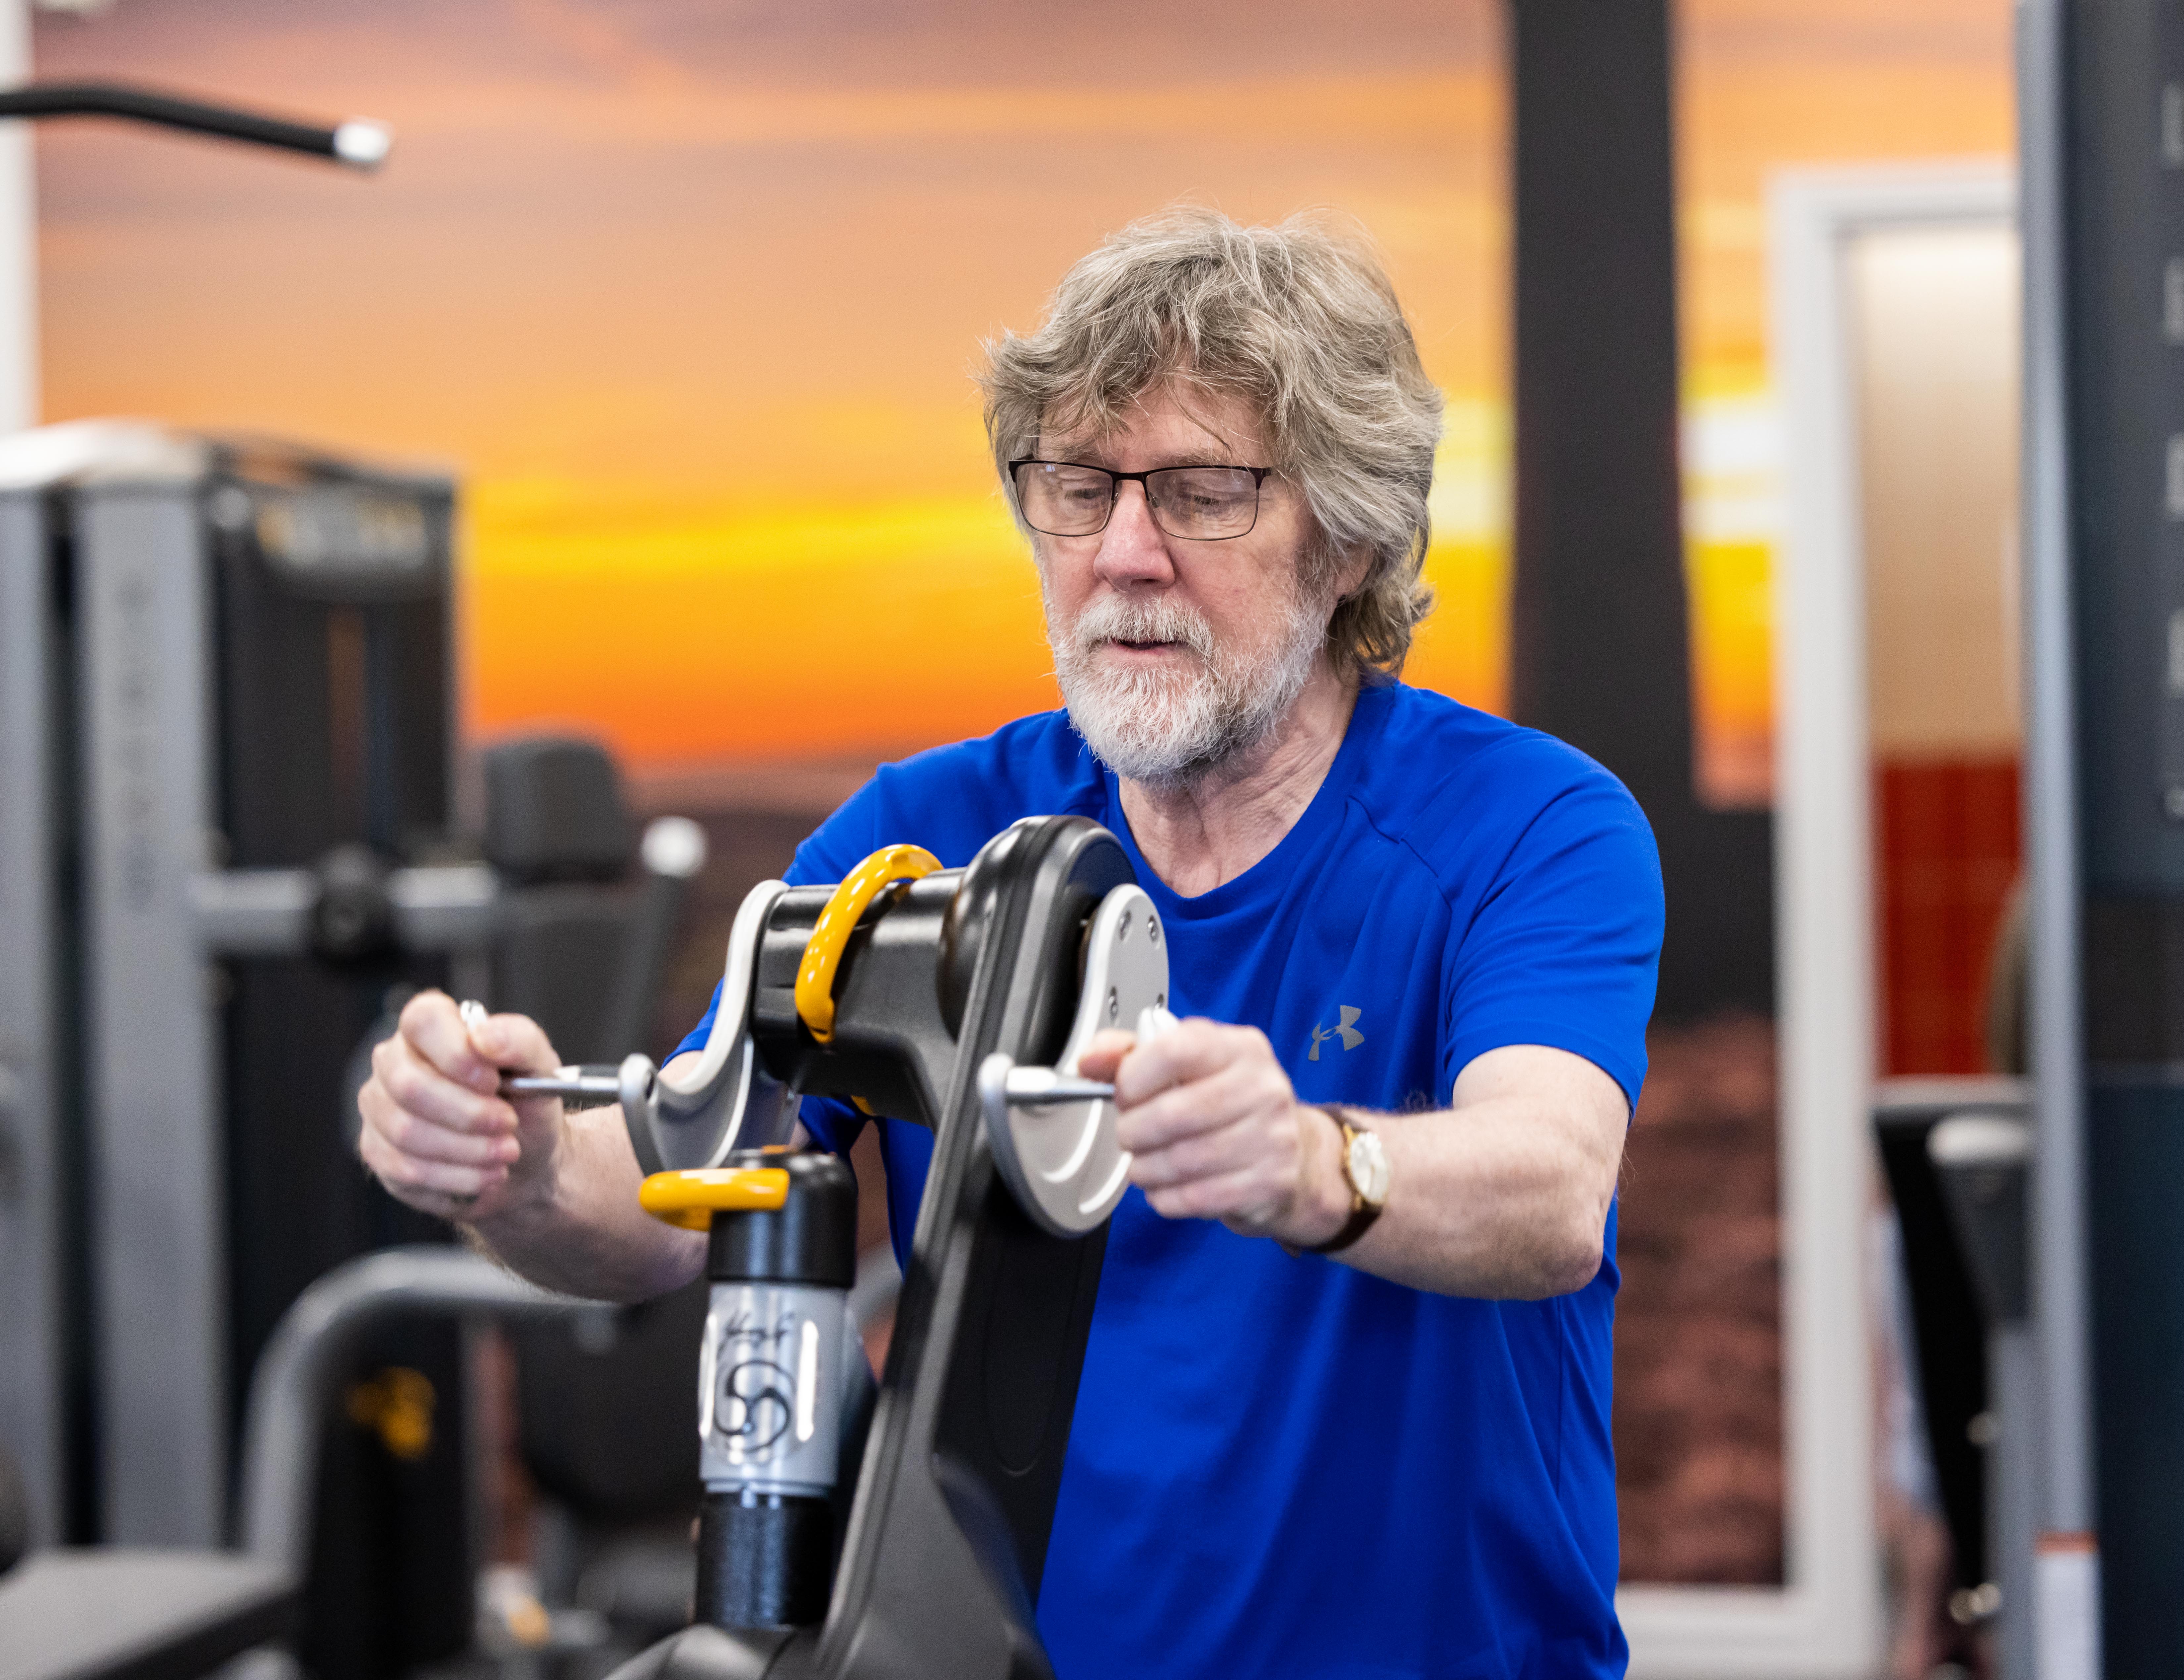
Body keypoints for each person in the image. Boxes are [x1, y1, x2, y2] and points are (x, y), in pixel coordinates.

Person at [357, 207, 1662, 1678]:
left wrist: (1308, 1163)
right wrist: (512, 1166)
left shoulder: (1526, 825)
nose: (1122, 553)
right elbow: (662, 1205)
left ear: (1349, 536)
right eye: (1076, 486)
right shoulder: (917, 836)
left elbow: (1550, 1189)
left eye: (1200, 491)